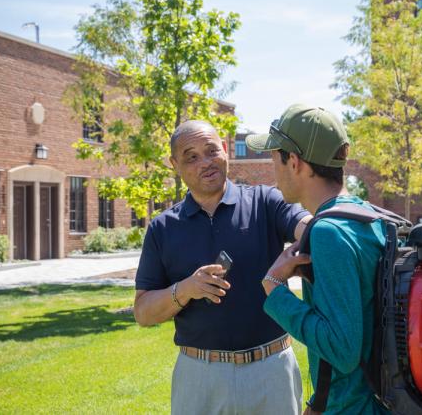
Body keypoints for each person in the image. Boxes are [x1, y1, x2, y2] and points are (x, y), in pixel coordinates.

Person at [133, 120, 312, 415]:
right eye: (191, 156)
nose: (205, 162)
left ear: (226, 150)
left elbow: (306, 227)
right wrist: (185, 289)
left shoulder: (265, 202)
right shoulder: (162, 228)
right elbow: (143, 312)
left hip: (272, 370)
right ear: (174, 164)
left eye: (211, 150)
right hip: (199, 377)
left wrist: (327, 228)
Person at [246, 104, 390, 414]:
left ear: (294, 162)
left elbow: (342, 348)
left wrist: (275, 289)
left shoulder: (328, 233)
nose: (274, 172)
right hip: (367, 400)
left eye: (275, 159)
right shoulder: (365, 216)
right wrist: (318, 402)